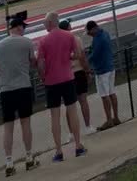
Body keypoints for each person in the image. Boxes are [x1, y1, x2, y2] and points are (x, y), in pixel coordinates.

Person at [0, 13, 38, 177]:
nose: (24, 30)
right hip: (23, 86)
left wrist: (3, 70)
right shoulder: (27, 42)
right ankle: (29, 157)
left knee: (8, 127)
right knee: (25, 123)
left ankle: (9, 162)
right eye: (23, 27)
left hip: (6, 89)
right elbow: (33, 62)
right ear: (18, 27)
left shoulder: (0, 45)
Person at [36, 13, 85, 162]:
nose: (44, 26)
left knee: (55, 117)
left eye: (45, 23)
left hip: (51, 81)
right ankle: (78, 146)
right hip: (67, 78)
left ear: (50, 23)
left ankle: (58, 151)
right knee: (72, 112)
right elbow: (77, 54)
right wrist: (67, 58)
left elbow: (40, 64)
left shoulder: (43, 41)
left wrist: (43, 76)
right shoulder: (69, 36)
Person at [59, 22, 93, 137]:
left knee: (69, 105)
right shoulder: (76, 39)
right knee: (83, 100)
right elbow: (82, 57)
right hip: (78, 72)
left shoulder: (59, 42)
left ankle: (71, 133)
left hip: (66, 75)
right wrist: (88, 71)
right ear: (69, 28)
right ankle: (87, 126)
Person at [84, 22, 119, 129]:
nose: (89, 34)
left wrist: (85, 62)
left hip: (102, 70)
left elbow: (94, 55)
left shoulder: (98, 39)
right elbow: (95, 50)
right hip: (110, 67)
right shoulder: (105, 34)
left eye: (89, 32)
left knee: (104, 95)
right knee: (112, 92)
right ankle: (116, 117)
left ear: (94, 29)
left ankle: (109, 120)